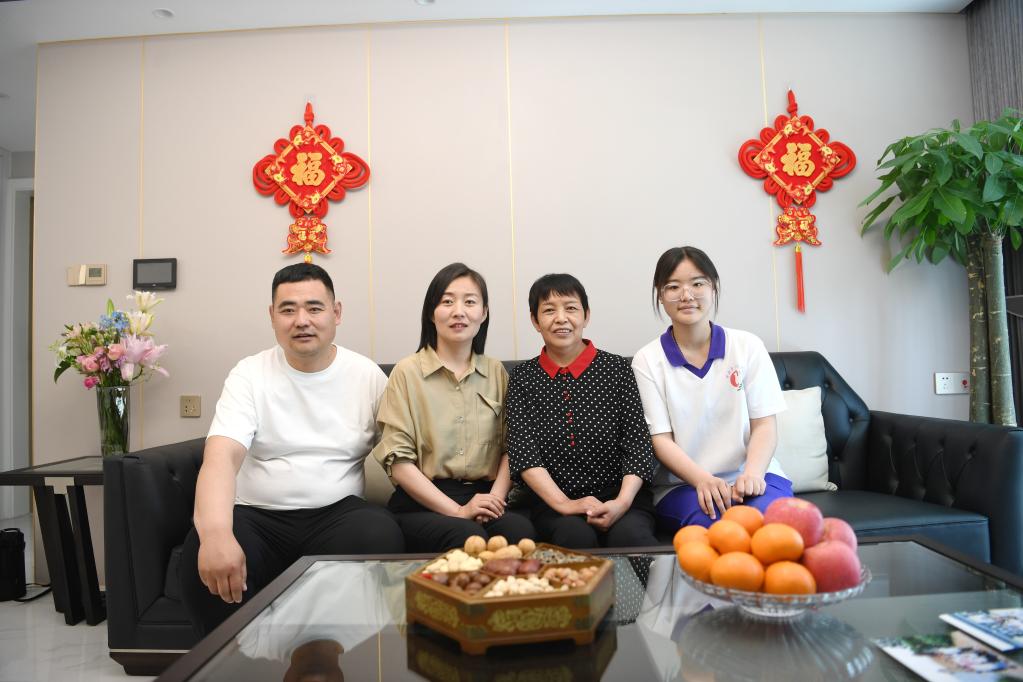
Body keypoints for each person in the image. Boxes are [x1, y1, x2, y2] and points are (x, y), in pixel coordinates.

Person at [180, 263, 405, 637]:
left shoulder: (366, 376)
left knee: (379, 533)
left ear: (336, 313)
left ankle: (339, 654)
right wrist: (216, 534)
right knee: (202, 554)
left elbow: (404, 452)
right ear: (272, 316)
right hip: (256, 515)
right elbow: (220, 458)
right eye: (288, 310)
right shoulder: (249, 374)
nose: (302, 320)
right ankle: (236, 660)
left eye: (314, 308)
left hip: (338, 515)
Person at [372, 263, 534, 553]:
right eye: (447, 302)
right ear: (431, 313)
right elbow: (398, 462)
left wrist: (495, 501)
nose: (459, 311)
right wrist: (458, 511)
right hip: (423, 503)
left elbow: (512, 448)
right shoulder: (407, 373)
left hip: (486, 495)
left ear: (483, 313)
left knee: (519, 531)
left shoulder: (496, 372)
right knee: (466, 535)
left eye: (470, 302)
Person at [631, 246, 792, 532]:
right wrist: (703, 480)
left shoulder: (747, 346)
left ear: (713, 287)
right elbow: (661, 440)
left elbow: (765, 424)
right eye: (673, 286)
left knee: (771, 528)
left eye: (697, 283)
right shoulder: (647, 360)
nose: (686, 295)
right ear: (660, 295)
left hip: (754, 474)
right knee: (724, 533)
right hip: (684, 485)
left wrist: (753, 474)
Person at [506, 273, 658, 549]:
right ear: (535, 321)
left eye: (571, 308)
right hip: (553, 504)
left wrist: (621, 503)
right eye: (549, 310)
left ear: (586, 316)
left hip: (623, 498)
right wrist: (565, 504)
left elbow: (638, 445)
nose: (561, 318)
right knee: (574, 537)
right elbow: (524, 453)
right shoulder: (523, 378)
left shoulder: (617, 370)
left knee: (631, 538)